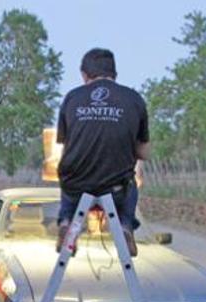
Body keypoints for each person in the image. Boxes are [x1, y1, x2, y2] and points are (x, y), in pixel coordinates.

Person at [55, 48, 150, 256]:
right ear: (114, 74)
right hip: (115, 188)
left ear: (84, 75)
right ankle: (125, 226)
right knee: (130, 184)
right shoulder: (133, 99)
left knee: (67, 179)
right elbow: (144, 152)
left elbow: (65, 144)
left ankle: (66, 222)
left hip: (76, 187)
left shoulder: (72, 98)